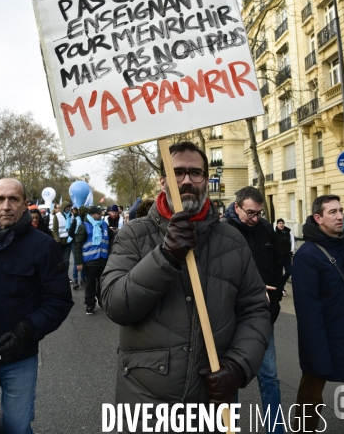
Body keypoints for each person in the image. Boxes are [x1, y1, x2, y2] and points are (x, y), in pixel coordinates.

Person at [101, 142, 271, 432]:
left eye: (196, 173)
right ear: (163, 180)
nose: (187, 180)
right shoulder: (134, 234)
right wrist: (165, 257)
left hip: (211, 404)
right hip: (145, 404)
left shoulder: (231, 240)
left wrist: (239, 366)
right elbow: (116, 304)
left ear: (206, 179)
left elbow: (255, 310)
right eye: (177, 172)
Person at [0, 177, 73, 434]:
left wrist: (25, 331)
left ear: (25, 204)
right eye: (0, 199)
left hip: (19, 360)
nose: (6, 205)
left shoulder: (43, 246)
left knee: (17, 428)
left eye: (14, 199)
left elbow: (59, 300)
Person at [293, 194, 344, 431]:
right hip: (324, 337)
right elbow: (307, 311)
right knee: (310, 397)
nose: (340, 216)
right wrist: (315, 351)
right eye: (332, 212)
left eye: (341, 210)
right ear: (318, 218)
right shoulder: (307, 255)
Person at [225, 186, 283, 434]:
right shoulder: (222, 232)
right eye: (250, 213)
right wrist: (253, 288)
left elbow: (275, 264)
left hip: (264, 316)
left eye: (259, 213)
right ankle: (229, 429)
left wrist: (276, 293)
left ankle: (276, 429)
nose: (255, 218)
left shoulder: (265, 228)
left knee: (269, 376)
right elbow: (218, 278)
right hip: (232, 317)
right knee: (231, 378)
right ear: (237, 207)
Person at [75, 205, 109, 315]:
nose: (100, 215)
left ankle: (101, 301)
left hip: (103, 259)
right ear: (92, 215)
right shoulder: (84, 226)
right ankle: (90, 304)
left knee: (103, 283)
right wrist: (79, 262)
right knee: (90, 284)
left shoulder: (104, 225)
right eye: (98, 213)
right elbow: (78, 245)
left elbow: (110, 238)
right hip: (90, 260)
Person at [275, 218, 294, 296]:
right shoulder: (274, 233)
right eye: (279, 223)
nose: (281, 224)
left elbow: (292, 241)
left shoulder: (288, 232)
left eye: (282, 223)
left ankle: (280, 284)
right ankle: (281, 289)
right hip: (279, 256)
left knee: (289, 271)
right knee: (279, 274)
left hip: (287, 256)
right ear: (277, 224)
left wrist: (291, 251)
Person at [52, 200, 72, 269]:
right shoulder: (57, 216)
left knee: (66, 260)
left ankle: (66, 276)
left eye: (69, 207)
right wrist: (58, 241)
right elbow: (54, 230)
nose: (68, 208)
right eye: (67, 207)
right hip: (60, 241)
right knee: (59, 260)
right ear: (63, 207)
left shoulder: (71, 216)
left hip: (68, 241)